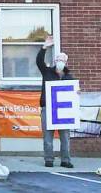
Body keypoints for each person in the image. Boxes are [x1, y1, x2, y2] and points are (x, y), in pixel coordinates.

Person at [37, 36, 75, 168]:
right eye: (58, 59)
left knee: (65, 137)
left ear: (66, 62)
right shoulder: (47, 72)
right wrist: (44, 47)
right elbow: (39, 62)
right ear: (54, 60)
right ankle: (49, 159)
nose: (60, 61)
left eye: (62, 59)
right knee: (48, 136)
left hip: (64, 110)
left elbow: (73, 92)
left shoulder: (69, 77)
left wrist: (77, 93)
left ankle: (66, 160)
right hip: (48, 108)